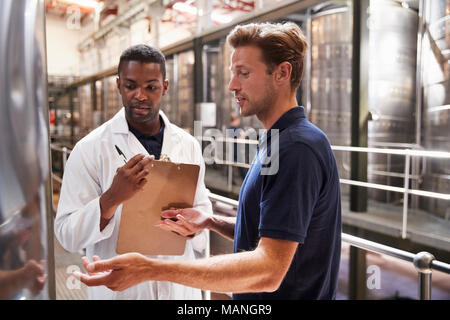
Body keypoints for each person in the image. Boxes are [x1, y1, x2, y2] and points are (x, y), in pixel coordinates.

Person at [75, 22, 342, 300]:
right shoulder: (276, 141)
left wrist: (150, 269)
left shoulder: (296, 148)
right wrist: (211, 221)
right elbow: (271, 228)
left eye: (244, 73)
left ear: (282, 73)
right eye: (232, 73)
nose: (232, 85)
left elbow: (268, 270)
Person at [54, 44, 212, 299]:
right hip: (124, 293)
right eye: (130, 86)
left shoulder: (188, 145)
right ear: (118, 85)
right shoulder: (90, 149)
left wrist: (193, 227)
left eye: (151, 87)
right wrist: (111, 198)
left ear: (165, 87)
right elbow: (66, 235)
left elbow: (203, 211)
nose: (140, 95)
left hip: (178, 290)